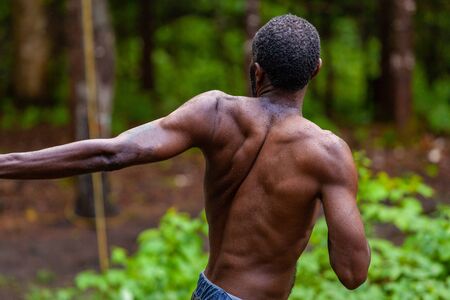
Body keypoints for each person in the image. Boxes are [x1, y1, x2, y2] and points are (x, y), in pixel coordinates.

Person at [0, 14, 370, 300]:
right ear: (316, 69)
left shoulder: (214, 112)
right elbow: (353, 273)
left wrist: (6, 163)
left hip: (209, 291)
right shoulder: (327, 153)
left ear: (256, 70)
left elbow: (113, 152)